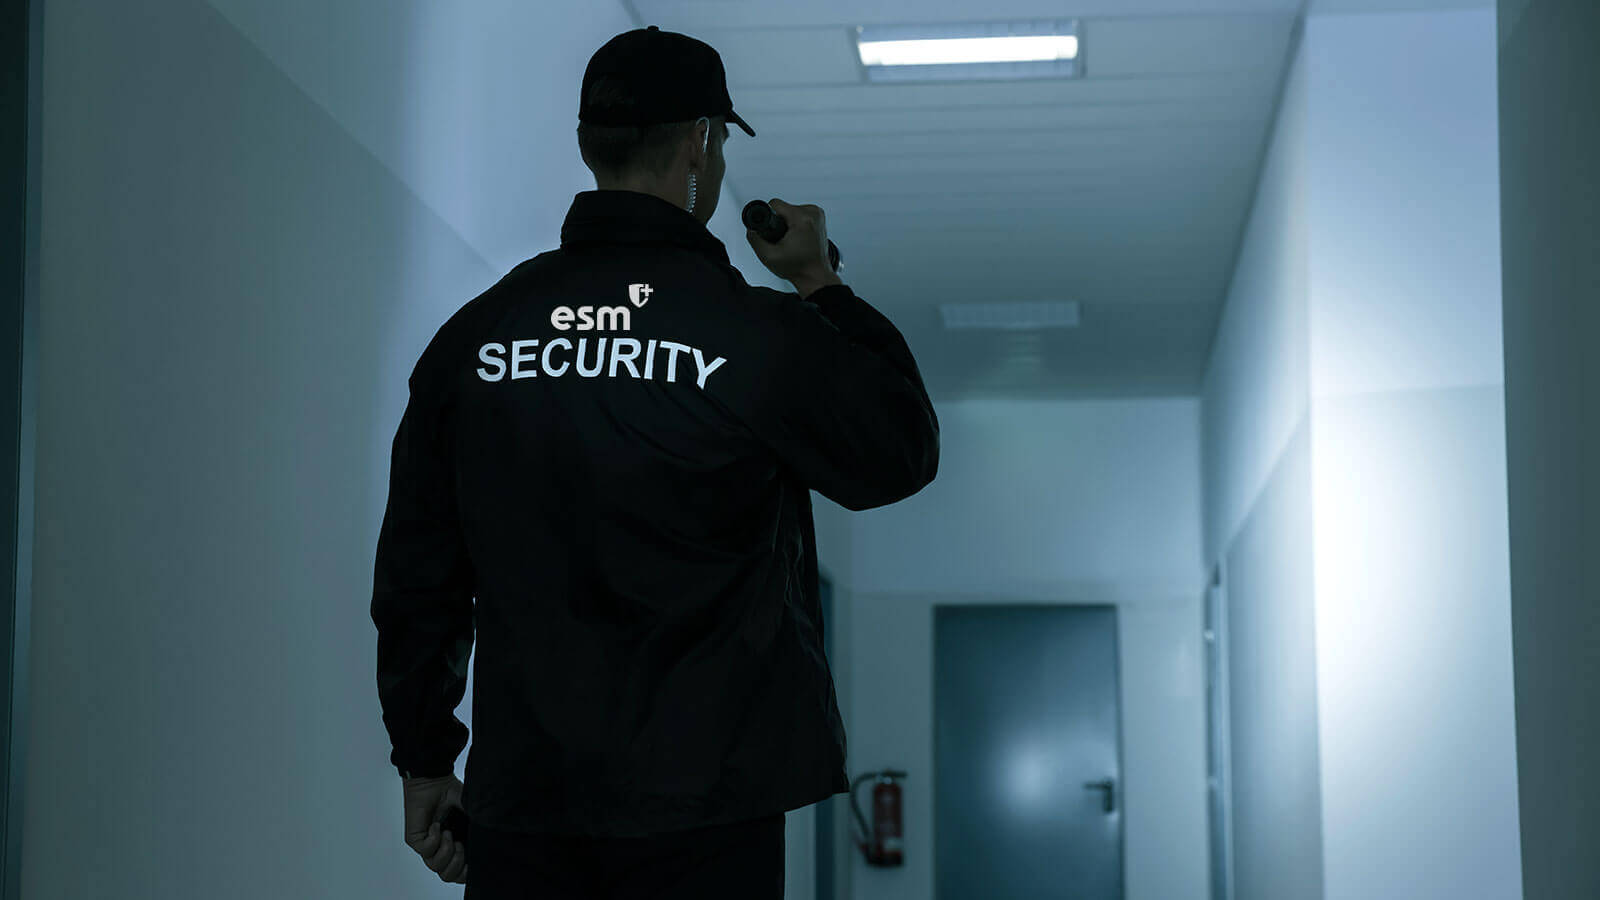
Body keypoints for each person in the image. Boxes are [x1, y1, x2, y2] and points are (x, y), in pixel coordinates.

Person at [370, 24, 939, 899]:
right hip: (710, 810)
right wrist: (821, 285)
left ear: (586, 147)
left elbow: (418, 575)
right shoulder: (756, 336)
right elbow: (898, 452)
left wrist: (423, 759)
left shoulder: (474, 341)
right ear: (702, 146)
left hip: (528, 804)